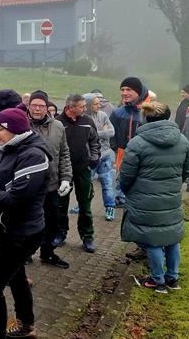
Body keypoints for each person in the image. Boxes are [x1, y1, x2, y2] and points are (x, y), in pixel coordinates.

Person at [0, 108, 50, 339]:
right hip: (8, 229)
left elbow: (16, 198)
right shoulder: (11, 148)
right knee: (16, 276)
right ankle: (26, 325)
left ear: (13, 129)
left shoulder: (34, 155)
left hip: (21, 233)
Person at [120, 102, 189, 294]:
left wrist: (129, 191)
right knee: (171, 237)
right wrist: (174, 185)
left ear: (146, 118)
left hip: (144, 199)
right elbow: (188, 170)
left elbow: (126, 175)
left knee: (152, 239)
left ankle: (157, 280)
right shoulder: (183, 140)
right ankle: (173, 278)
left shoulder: (137, 143)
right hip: (171, 198)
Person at [27, 91, 72, 268]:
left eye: (41, 106)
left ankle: (47, 252)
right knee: (29, 223)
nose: (37, 109)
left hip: (52, 185)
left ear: (47, 107)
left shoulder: (58, 126)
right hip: (29, 186)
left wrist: (66, 178)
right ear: (29, 106)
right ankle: (26, 253)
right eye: (34, 105)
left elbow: (64, 153)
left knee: (53, 221)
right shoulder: (21, 125)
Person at [57, 94, 101, 253]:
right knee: (61, 204)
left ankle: (87, 236)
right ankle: (60, 233)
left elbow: (95, 142)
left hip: (83, 170)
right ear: (70, 107)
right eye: (81, 106)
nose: (85, 109)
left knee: (85, 204)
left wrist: (94, 158)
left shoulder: (88, 122)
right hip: (63, 172)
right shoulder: (58, 123)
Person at [110, 76, 153, 207]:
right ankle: (119, 199)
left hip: (143, 156)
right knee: (121, 178)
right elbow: (112, 135)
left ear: (138, 92)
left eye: (128, 89)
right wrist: (117, 149)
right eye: (122, 89)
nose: (124, 93)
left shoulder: (148, 113)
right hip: (122, 154)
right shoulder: (117, 113)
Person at [83, 93, 116, 221]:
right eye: (96, 103)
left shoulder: (103, 115)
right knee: (86, 183)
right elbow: (83, 135)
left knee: (107, 183)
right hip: (89, 156)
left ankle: (110, 207)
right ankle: (83, 206)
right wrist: (103, 131)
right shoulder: (83, 118)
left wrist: (96, 132)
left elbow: (111, 132)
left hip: (104, 155)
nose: (99, 105)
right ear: (89, 105)